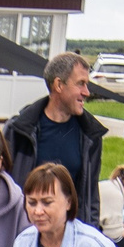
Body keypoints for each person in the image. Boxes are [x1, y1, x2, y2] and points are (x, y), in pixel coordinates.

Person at [6, 51, 104, 211]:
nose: (86, 92)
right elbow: (2, 187)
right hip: (26, 228)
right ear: (59, 85)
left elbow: (91, 198)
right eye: (80, 84)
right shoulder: (19, 130)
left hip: (70, 232)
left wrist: (88, 230)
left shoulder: (90, 135)